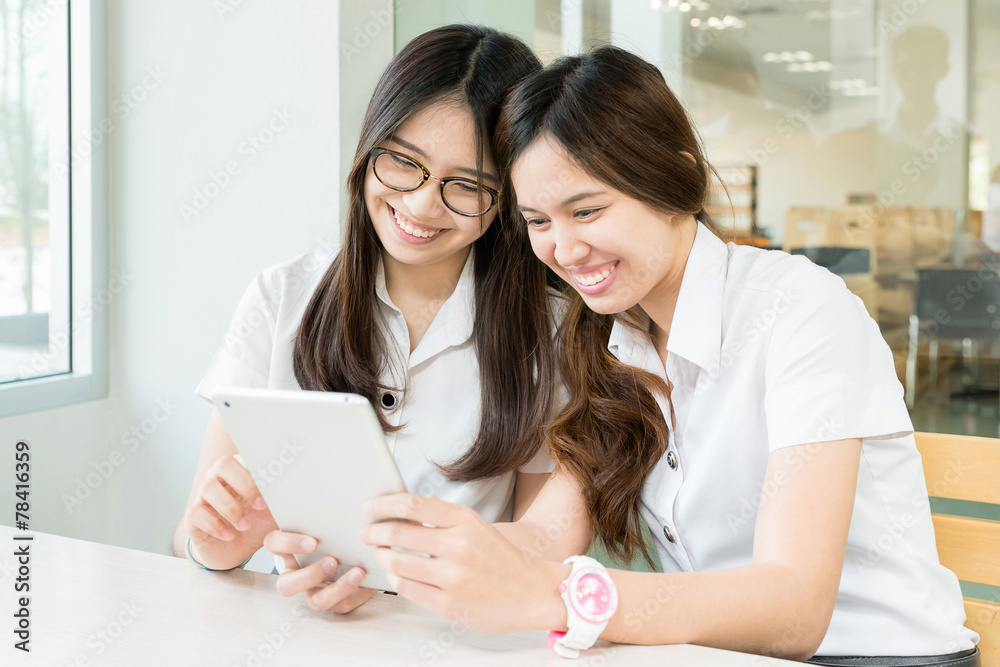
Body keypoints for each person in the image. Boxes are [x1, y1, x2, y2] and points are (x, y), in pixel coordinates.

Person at [359, 46, 981, 666]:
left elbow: (793, 607)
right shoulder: (604, 341)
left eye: (588, 210)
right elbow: (545, 539)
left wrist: (563, 597)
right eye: (538, 221)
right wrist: (381, 561)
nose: (564, 249)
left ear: (675, 179)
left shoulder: (800, 309)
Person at [171, 24, 562, 616]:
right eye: (405, 163)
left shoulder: (549, 328)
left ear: (506, 196)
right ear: (370, 146)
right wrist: (216, 543)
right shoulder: (281, 298)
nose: (423, 204)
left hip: (459, 644)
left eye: (468, 185)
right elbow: (192, 542)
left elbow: (541, 557)